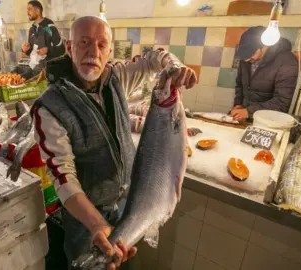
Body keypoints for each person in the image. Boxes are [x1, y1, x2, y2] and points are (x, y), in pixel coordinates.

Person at [32, 16, 196, 269]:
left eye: (101, 45)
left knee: (121, 262)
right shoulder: (49, 106)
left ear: (109, 50)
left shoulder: (117, 77)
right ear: (69, 46)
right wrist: (97, 223)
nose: (93, 52)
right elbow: (62, 176)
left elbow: (154, 57)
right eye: (84, 42)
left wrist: (174, 66)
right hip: (86, 221)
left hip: (129, 206)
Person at [230, 26, 299, 121]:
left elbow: (282, 101)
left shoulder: (287, 61)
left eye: (251, 53)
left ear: (264, 46)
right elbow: (240, 85)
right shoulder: (246, 59)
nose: (247, 59)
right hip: (247, 118)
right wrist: (238, 104)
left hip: (269, 121)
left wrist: (249, 112)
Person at [20, 0, 65, 79]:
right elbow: (32, 53)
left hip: (47, 72)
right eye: (27, 9)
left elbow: (61, 50)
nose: (27, 12)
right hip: (34, 69)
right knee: (18, 78)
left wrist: (48, 50)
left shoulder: (48, 27)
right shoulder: (32, 29)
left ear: (38, 11)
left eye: (29, 9)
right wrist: (26, 50)